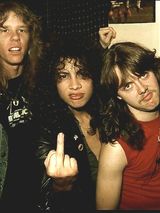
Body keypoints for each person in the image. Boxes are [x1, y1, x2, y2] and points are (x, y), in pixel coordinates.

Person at [96, 42, 160, 210]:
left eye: (143, 74)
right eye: (127, 86)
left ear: (154, 71)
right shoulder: (116, 148)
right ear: (117, 96)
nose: (142, 89)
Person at [32, 38, 106, 212]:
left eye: (83, 74)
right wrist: (62, 185)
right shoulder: (48, 129)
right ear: (53, 82)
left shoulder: (108, 115)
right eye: (63, 76)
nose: (75, 85)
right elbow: (43, 195)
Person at [0, 1, 43, 212]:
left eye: (22, 30)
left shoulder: (42, 84)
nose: (15, 38)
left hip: (39, 198)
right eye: (4, 29)